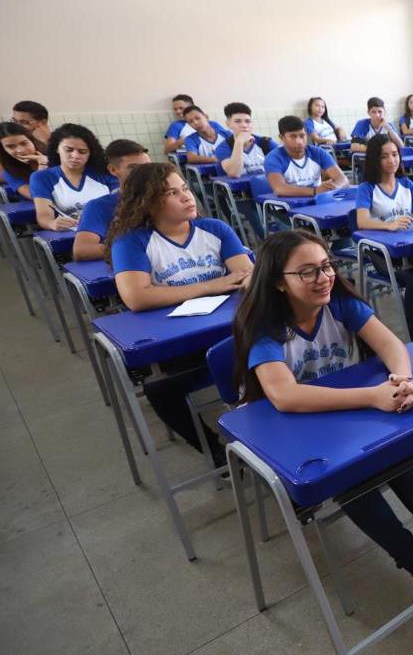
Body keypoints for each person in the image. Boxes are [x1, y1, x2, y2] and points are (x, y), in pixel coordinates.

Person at [232, 229, 413, 594]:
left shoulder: (338, 303)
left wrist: (400, 381)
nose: (324, 277)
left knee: (396, 455)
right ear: (279, 282)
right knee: (351, 474)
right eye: (307, 272)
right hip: (299, 430)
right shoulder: (265, 328)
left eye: (326, 266)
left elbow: (391, 344)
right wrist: (373, 397)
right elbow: (285, 396)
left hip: (349, 412)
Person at [107, 163, 252, 466]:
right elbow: (137, 297)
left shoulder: (214, 229)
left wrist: (248, 278)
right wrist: (212, 285)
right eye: (173, 193)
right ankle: (217, 454)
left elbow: (244, 274)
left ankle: (260, 432)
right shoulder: (132, 241)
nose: (187, 197)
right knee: (159, 390)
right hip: (183, 346)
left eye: (185, 188)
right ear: (148, 203)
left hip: (235, 332)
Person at [355, 134, 413, 341]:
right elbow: (361, 221)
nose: (392, 160)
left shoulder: (406, 184)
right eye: (384, 157)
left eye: (395, 154)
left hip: (410, 249)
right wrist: (388, 225)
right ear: (374, 160)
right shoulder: (367, 188)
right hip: (383, 256)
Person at [73, 139, 151, 261]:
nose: (144, 173)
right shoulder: (99, 206)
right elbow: (82, 249)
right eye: (133, 168)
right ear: (113, 170)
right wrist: (137, 249)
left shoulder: (166, 197)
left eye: (147, 167)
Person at [29, 124, 115, 231]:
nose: (75, 156)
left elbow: (124, 203)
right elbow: (44, 215)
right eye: (68, 150)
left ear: (90, 153)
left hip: (112, 228)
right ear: (57, 149)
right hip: (74, 233)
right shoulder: (42, 177)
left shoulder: (103, 172)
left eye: (82, 152)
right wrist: (52, 223)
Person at [265, 116, 348, 197]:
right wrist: (314, 191)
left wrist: (334, 187)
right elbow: (280, 189)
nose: (299, 141)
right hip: (287, 207)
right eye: (292, 137)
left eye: (302, 136)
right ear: (282, 138)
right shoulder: (274, 158)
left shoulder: (318, 152)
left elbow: (342, 179)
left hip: (317, 202)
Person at [215, 102, 278, 178]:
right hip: (241, 190)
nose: (244, 125)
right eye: (237, 121)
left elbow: (290, 158)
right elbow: (234, 173)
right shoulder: (224, 147)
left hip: (269, 187)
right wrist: (239, 141)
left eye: (247, 121)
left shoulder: (264, 142)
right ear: (228, 124)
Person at [0, 121, 48, 200]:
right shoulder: (9, 172)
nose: (20, 150)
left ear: (32, 141)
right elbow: (37, 196)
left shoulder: (53, 157)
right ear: (4, 150)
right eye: (11, 146)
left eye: (24, 143)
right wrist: (42, 166)